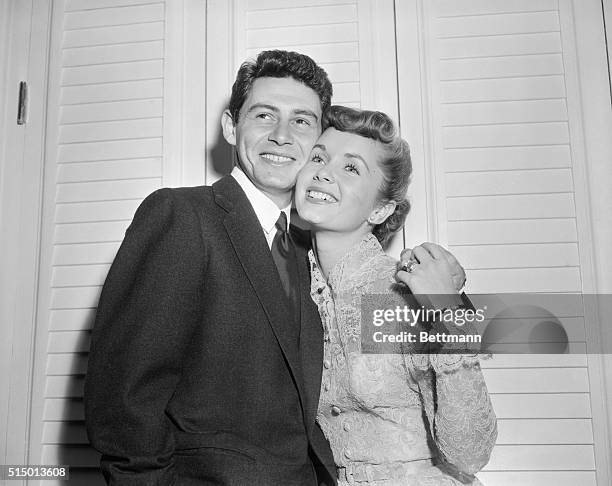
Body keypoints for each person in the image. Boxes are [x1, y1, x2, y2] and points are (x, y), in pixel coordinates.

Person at [84, 50, 467, 485]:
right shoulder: (181, 216)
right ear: (232, 126)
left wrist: (452, 306)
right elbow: (124, 400)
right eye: (264, 115)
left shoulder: (320, 254)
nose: (283, 135)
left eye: (302, 121)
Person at [294, 106, 497, 485]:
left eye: (351, 168)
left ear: (381, 209)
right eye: (319, 157)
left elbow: (470, 453)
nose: (323, 171)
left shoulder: (407, 290)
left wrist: (449, 314)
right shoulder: (291, 287)